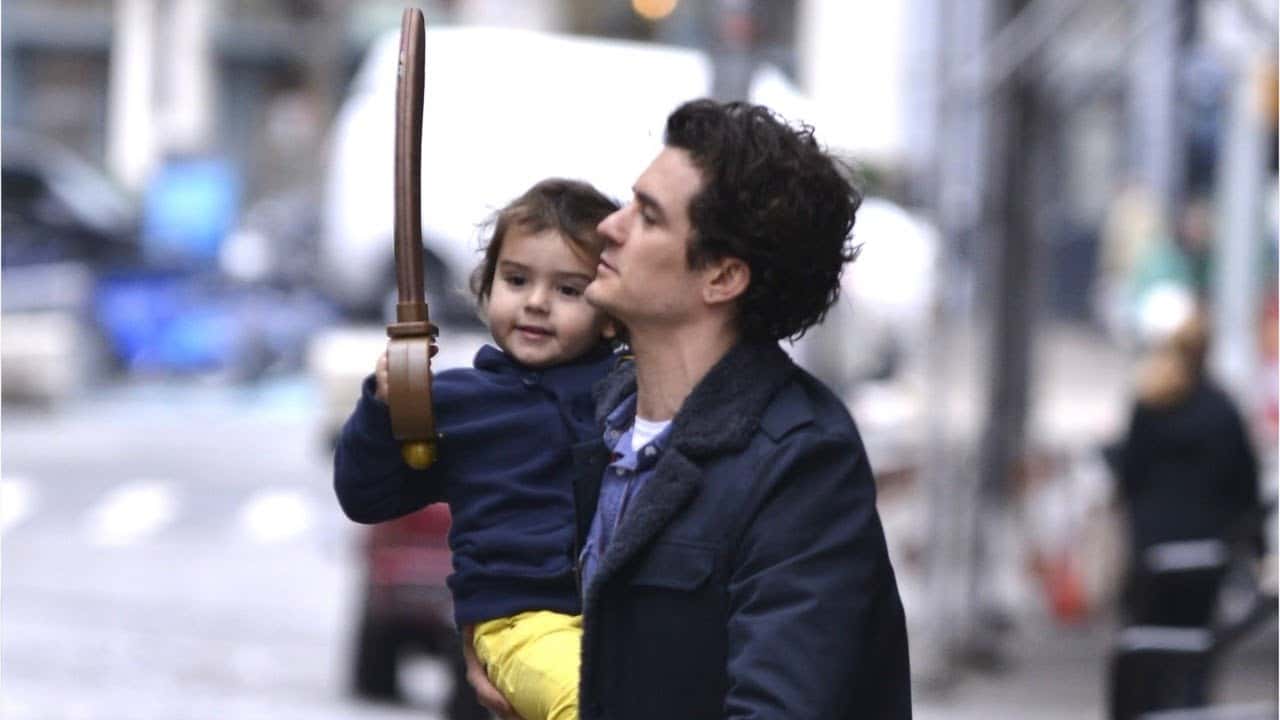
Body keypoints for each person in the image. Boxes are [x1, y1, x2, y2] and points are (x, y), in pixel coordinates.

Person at [470, 99, 911, 719]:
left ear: (722, 277)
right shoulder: (590, 416)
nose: (610, 227)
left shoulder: (803, 462)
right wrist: (485, 636)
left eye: (648, 217)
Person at [334, 178, 620, 720]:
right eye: (516, 279)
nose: (536, 303)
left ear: (610, 311)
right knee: (588, 703)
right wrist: (382, 410)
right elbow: (365, 495)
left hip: (619, 623)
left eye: (568, 290)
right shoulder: (460, 402)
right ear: (486, 287)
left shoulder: (629, 394)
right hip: (518, 620)